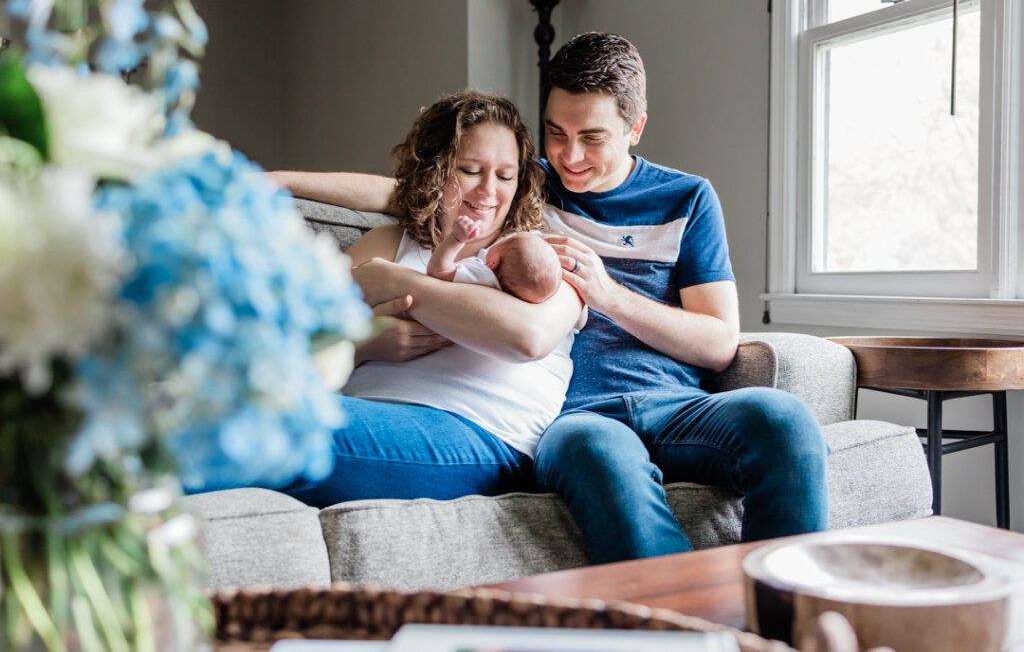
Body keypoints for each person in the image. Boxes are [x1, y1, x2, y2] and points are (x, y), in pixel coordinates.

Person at [269, 33, 828, 563]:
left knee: (783, 418)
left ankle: (787, 613)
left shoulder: (687, 199)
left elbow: (718, 343)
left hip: (672, 403)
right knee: (599, 455)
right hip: (574, 417)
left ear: (635, 128)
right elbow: (412, 190)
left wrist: (607, 293)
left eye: (592, 138)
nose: (569, 157)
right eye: (556, 133)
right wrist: (279, 181)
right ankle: (678, 623)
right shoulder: (530, 184)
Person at [206, 91, 585, 508]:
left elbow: (526, 337)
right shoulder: (387, 242)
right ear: (437, 171)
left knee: (248, 424)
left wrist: (391, 282)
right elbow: (290, 353)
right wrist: (361, 347)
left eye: (506, 176)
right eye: (470, 170)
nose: (488, 191)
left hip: (477, 431)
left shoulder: (542, 257)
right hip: (368, 411)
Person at [428, 215, 562, 304]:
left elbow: (438, 271)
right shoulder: (513, 301)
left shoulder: (482, 275)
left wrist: (457, 239)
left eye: (503, 243)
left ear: (493, 263)